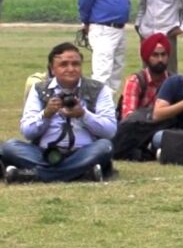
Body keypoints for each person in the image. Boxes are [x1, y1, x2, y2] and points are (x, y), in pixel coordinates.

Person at [2, 42, 115, 183]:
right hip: (44, 153)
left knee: (105, 146)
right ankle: (81, 174)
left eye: (76, 64)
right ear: (52, 69)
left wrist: (83, 114)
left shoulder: (98, 89)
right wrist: (46, 114)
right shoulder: (39, 89)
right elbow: (27, 132)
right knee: (9, 147)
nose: (71, 69)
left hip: (83, 152)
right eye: (64, 65)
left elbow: (110, 131)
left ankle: (32, 175)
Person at [120, 33, 173, 120]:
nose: (160, 59)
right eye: (155, 55)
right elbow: (129, 119)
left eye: (163, 55)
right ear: (147, 57)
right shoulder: (136, 81)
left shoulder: (172, 81)